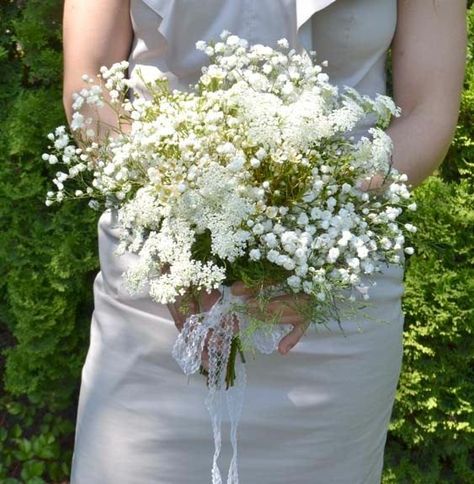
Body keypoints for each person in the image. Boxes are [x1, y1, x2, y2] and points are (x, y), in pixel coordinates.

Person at [64, 1, 467, 483]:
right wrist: (175, 225)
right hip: (159, 292)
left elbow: (430, 109)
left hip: (336, 292)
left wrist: (320, 232)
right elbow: (88, 81)